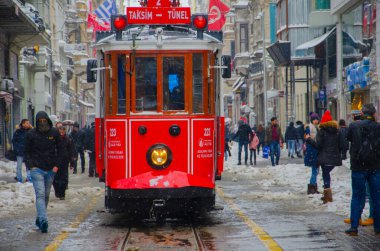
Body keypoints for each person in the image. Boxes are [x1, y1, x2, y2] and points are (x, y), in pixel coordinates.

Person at [24, 111, 63, 233]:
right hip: (37, 169)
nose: (42, 122)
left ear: (47, 120)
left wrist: (57, 165)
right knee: (40, 195)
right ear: (36, 121)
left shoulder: (54, 132)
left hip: (51, 170)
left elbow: (61, 149)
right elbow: (26, 151)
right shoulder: (31, 134)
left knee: (45, 196)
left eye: (44, 120)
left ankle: (39, 219)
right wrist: (31, 166)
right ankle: (44, 220)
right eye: (39, 121)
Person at [345, 104, 380, 236]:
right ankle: (378, 226)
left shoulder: (354, 125)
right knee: (376, 196)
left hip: (358, 166)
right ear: (374, 113)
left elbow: (348, 138)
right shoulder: (378, 126)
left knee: (357, 196)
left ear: (362, 113)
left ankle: (354, 227)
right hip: (375, 166)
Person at [305, 110, 342, 203]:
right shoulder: (337, 131)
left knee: (325, 174)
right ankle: (327, 193)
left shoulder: (322, 132)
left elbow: (318, 145)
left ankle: (327, 196)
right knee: (326, 173)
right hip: (334, 157)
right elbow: (342, 145)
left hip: (324, 157)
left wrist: (309, 139)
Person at [53, 126, 75, 200]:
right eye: (60, 131)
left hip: (64, 161)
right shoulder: (54, 140)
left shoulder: (68, 140)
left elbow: (71, 152)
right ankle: (57, 191)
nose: (62, 133)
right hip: (55, 161)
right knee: (55, 178)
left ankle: (62, 194)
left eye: (63, 131)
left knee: (64, 178)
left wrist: (72, 162)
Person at [304, 112, 320, 194]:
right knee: (315, 171)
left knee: (316, 171)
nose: (316, 121)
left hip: (316, 151)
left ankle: (313, 187)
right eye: (314, 119)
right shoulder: (310, 128)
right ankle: (312, 187)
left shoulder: (317, 128)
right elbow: (308, 140)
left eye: (317, 119)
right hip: (312, 152)